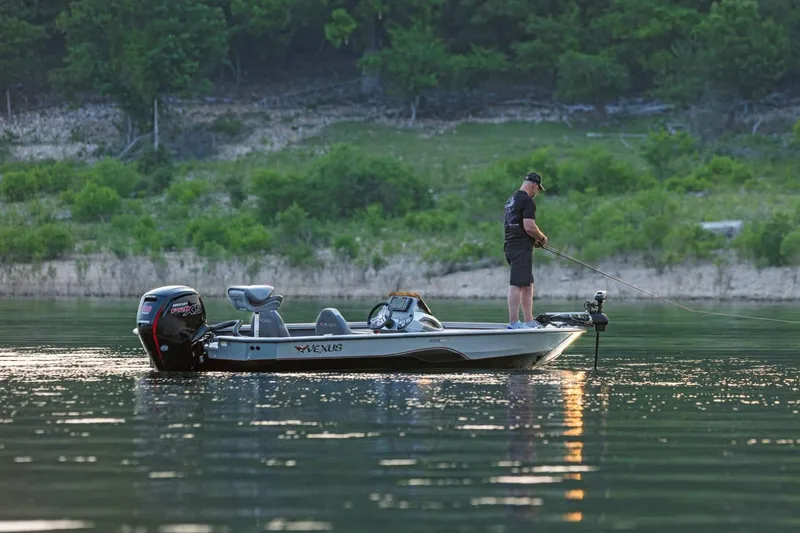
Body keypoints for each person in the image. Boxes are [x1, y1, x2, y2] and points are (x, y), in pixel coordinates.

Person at [503, 171, 547, 329]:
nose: (537, 193)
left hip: (510, 246)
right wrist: (542, 238)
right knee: (517, 284)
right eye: (538, 189)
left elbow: (516, 226)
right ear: (534, 185)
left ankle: (529, 321)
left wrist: (532, 241)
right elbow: (529, 226)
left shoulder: (511, 200)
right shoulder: (527, 201)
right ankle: (513, 323)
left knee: (528, 283)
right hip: (520, 248)